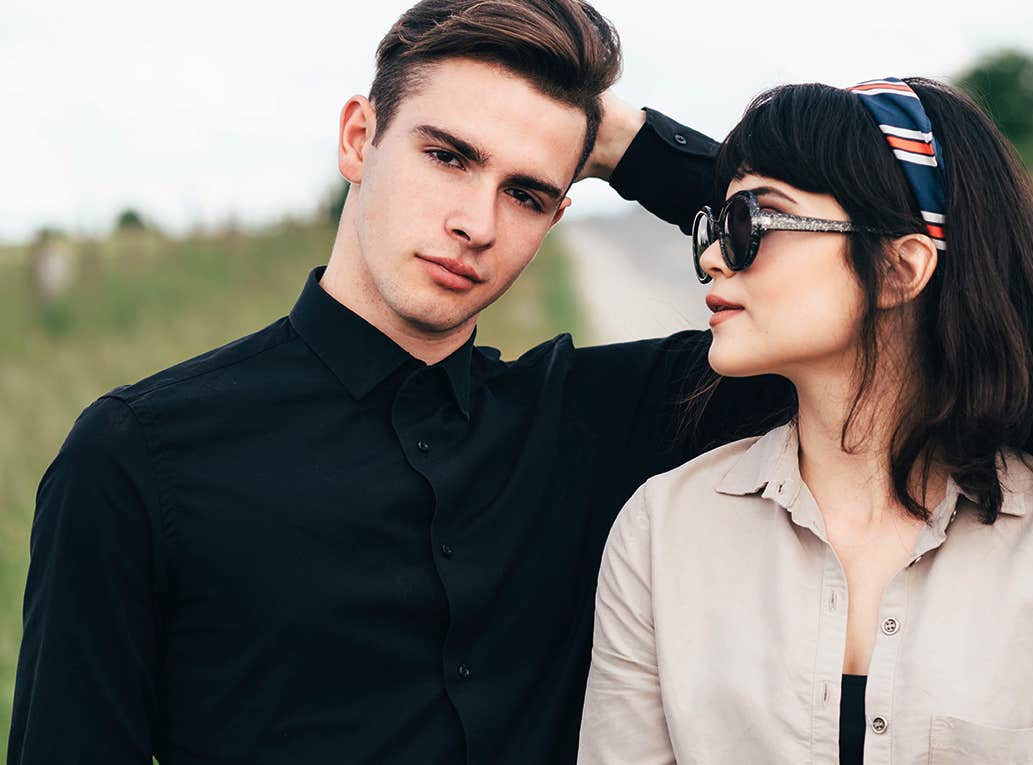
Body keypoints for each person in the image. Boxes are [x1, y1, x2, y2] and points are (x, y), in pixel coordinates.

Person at [8, 1, 783, 763]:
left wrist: (628, 142)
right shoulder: (137, 456)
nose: (477, 223)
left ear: (555, 220)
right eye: (448, 156)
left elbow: (879, 307)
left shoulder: (596, 419)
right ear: (358, 138)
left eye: (525, 193)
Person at [579, 78, 1033, 764]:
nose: (716, 256)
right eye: (714, 227)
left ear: (902, 269)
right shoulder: (662, 532)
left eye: (751, 223)